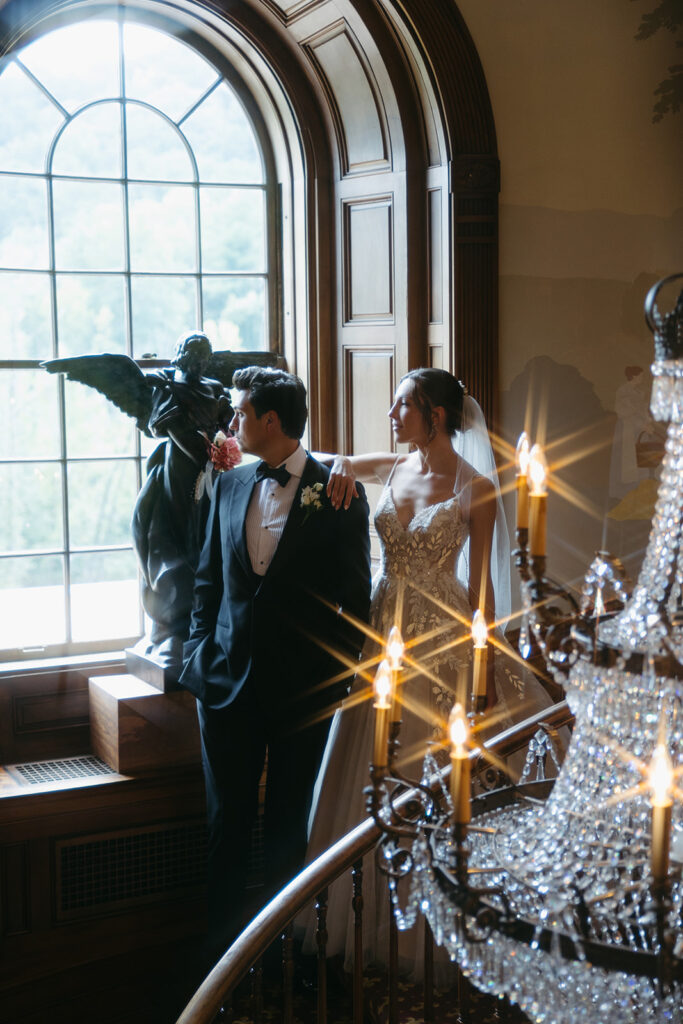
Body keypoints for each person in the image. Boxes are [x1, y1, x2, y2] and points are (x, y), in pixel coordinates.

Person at [302, 368, 561, 980]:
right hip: (382, 634)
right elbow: (327, 459)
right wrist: (339, 465)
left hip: (442, 638)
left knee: (433, 770)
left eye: (402, 406)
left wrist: (485, 666)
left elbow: (483, 594)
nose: (393, 415)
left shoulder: (474, 488)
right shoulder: (393, 467)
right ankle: (358, 916)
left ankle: (440, 931)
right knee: (370, 767)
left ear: (436, 416)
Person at [179, 366, 372, 961]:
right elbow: (207, 579)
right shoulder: (232, 483)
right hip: (224, 685)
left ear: (270, 420)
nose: (232, 422)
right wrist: (197, 654)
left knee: (289, 829)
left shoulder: (338, 491)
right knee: (225, 828)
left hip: (302, 693)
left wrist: (331, 675)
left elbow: (357, 596)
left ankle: (282, 966)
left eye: (240, 412)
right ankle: (220, 967)